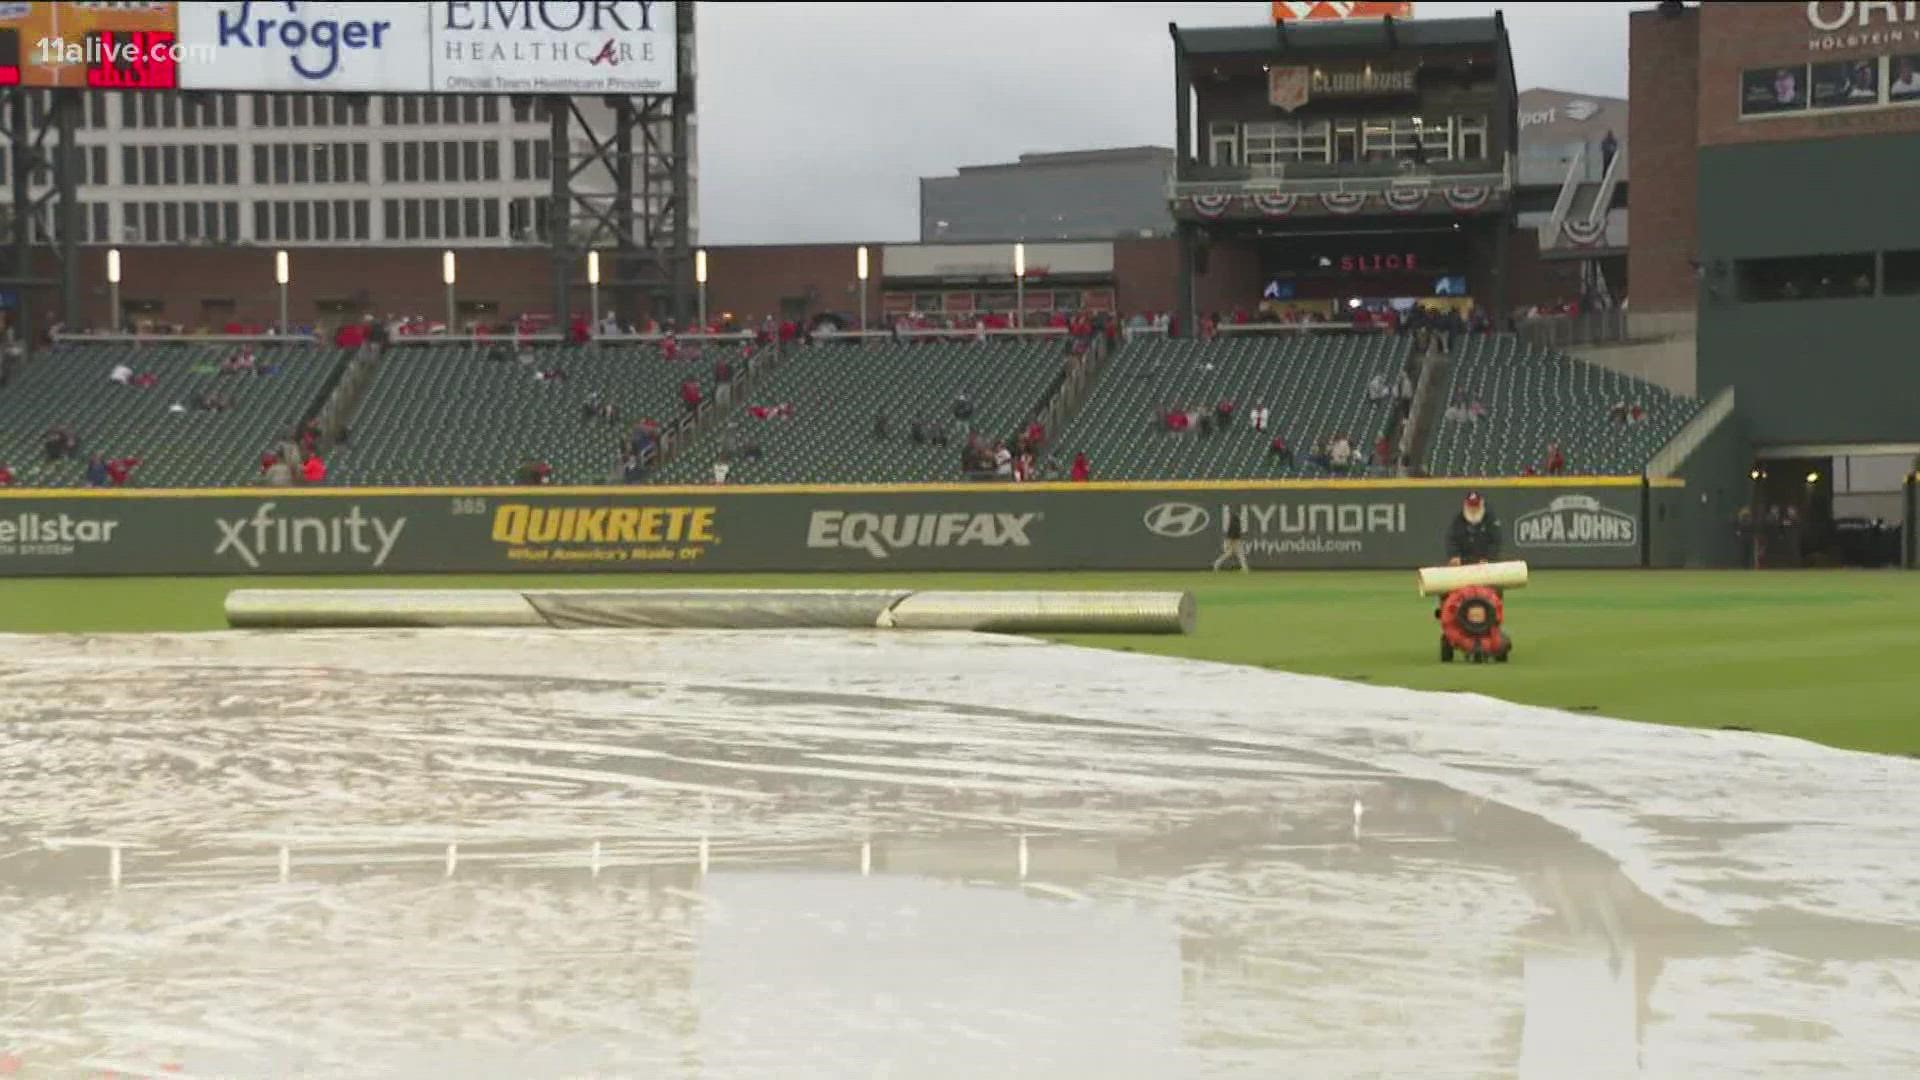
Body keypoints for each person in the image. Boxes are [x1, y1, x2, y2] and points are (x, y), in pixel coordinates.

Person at [1446, 492, 1501, 566]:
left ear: (1481, 504)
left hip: (1485, 564)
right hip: (1463, 564)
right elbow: (1451, 540)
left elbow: (1495, 541)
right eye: (1471, 506)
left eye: (1476, 506)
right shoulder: (1458, 520)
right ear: (1466, 505)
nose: (1473, 509)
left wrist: (1488, 558)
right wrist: (1454, 556)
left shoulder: (1489, 519)